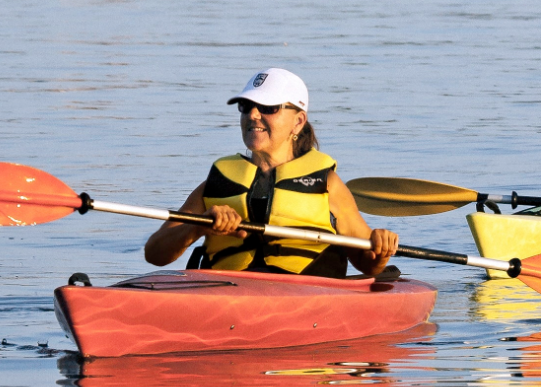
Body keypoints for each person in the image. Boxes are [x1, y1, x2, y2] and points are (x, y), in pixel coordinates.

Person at [143, 67, 401, 275]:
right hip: (227, 296)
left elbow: (367, 264)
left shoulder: (328, 184)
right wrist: (196, 229)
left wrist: (381, 250)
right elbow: (154, 254)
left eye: (268, 108)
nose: (253, 115)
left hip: (307, 297)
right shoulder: (215, 185)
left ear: (298, 121)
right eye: (246, 106)